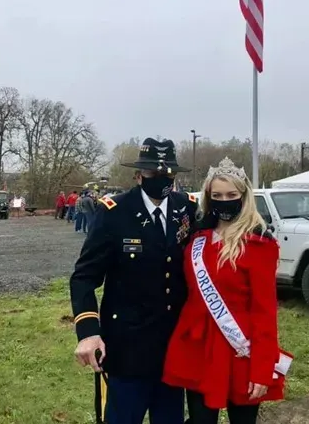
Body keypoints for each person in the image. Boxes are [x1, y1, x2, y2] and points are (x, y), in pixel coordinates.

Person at [70, 138, 198, 424]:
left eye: (168, 174)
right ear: (139, 175)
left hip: (173, 349)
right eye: (154, 173)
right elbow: (84, 277)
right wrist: (89, 332)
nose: (162, 180)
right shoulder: (114, 212)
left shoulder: (186, 208)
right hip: (126, 348)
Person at [163, 157, 293, 424]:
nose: (224, 200)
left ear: (243, 196)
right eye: (217, 195)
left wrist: (262, 368)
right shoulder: (197, 239)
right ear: (208, 198)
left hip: (240, 349)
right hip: (198, 347)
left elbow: (265, 310)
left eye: (231, 194)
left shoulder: (259, 244)